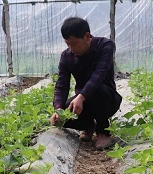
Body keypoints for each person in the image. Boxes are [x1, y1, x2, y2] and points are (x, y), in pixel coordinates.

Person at [49, 17, 122, 150]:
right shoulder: (66, 56)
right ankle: (88, 126)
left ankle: (103, 131)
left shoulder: (105, 45)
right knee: (62, 115)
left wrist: (81, 96)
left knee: (96, 89)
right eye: (67, 44)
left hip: (107, 100)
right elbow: (61, 86)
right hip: (84, 103)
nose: (71, 48)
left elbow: (98, 75)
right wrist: (58, 109)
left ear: (87, 36)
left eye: (74, 43)